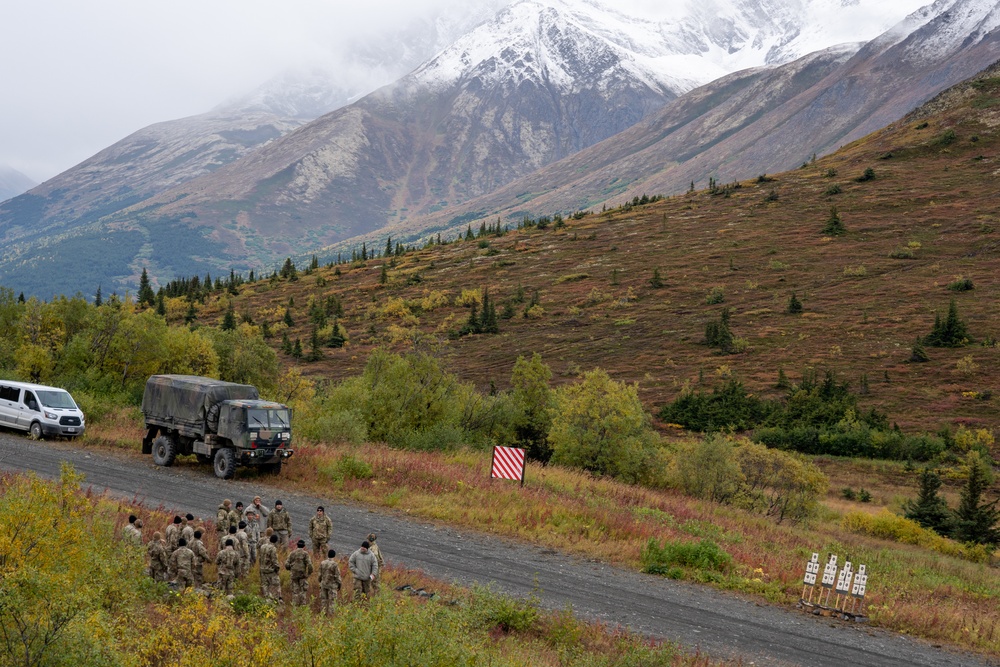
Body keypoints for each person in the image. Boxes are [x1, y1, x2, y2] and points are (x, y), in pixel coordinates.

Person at [284, 539, 314, 606]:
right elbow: (309, 565)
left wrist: (290, 569)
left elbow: (286, 564)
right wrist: (308, 574)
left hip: (294, 575)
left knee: (295, 591)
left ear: (297, 545)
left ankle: (295, 605)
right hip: (302, 575)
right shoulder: (305, 554)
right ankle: (302, 606)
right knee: (303, 591)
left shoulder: (292, 553)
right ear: (304, 546)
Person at [318, 549, 342, 615]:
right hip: (332, 586)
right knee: (332, 602)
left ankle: (323, 615)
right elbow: (337, 576)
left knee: (323, 600)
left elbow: (319, 575)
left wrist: (320, 582)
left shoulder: (322, 563)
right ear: (334, 556)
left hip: (323, 584)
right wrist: (339, 584)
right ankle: (331, 616)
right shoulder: (334, 564)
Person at [258, 534, 281, 602]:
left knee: (265, 586)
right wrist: (277, 569)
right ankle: (275, 601)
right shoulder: (273, 548)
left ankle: (266, 601)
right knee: (275, 586)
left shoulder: (263, 546)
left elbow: (260, 557)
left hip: (262, 569)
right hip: (271, 570)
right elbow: (274, 560)